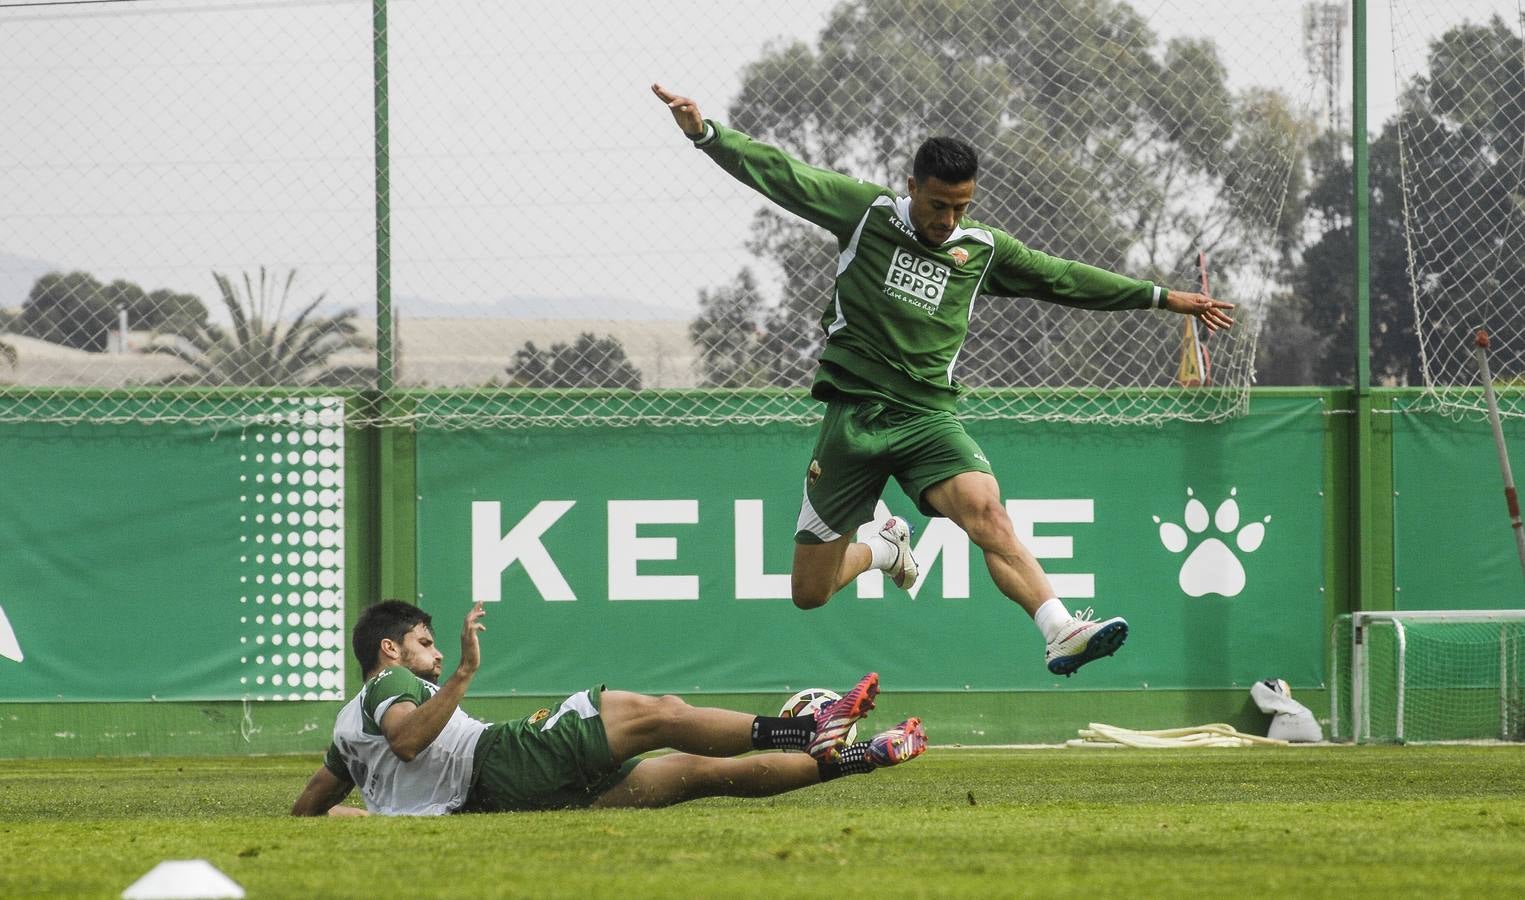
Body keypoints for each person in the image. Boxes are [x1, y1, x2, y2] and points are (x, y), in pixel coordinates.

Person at [652, 83, 1236, 676]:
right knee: (810, 591)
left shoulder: (981, 250)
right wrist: (706, 133)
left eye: (961, 207)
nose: (949, 219)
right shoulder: (867, 214)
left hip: (929, 418)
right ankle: (884, 548)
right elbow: (784, 174)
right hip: (853, 423)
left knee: (988, 511)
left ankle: (1060, 629)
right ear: (912, 187)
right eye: (938, 206)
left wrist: (1163, 298)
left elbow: (1062, 278)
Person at [291, 600, 924, 816]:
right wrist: (460, 671)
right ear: (389, 649)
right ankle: (811, 727)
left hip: (493, 800)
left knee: (696, 774)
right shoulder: (388, 687)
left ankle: (864, 756)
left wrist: (377, 816)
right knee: (657, 712)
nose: (429, 654)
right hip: (506, 760)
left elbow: (310, 806)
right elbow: (407, 740)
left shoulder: (347, 730)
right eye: (422, 644)